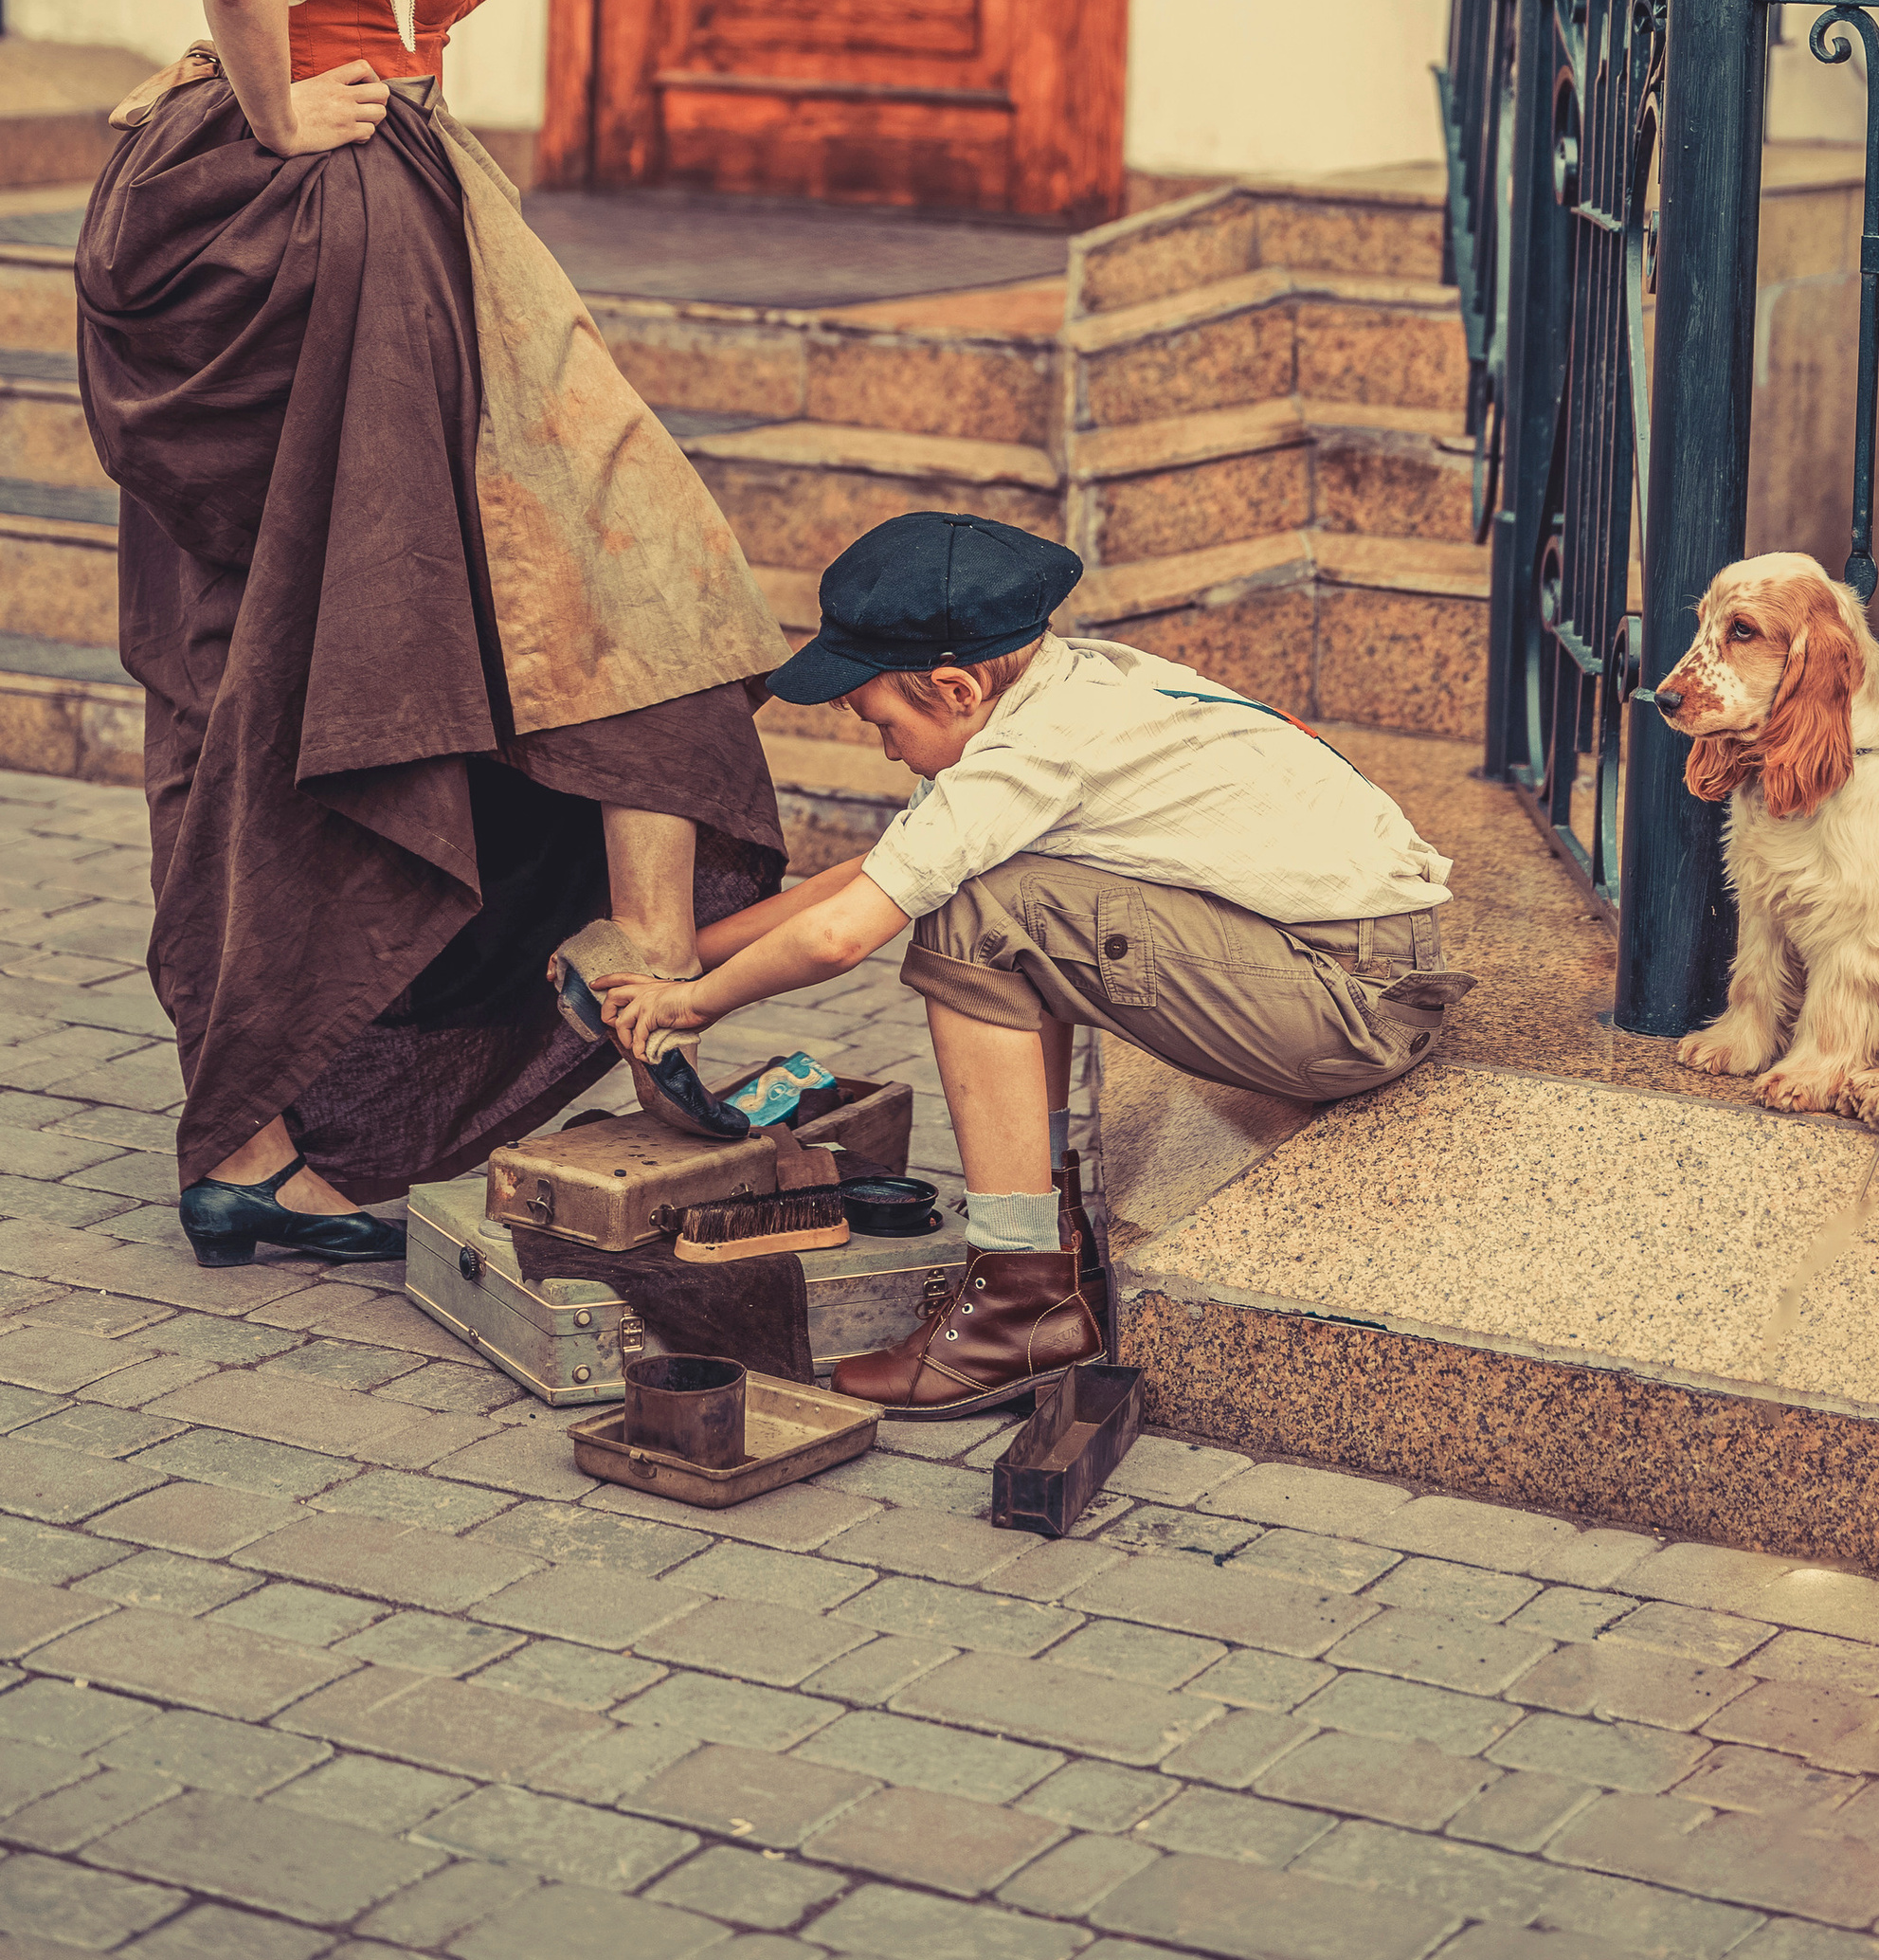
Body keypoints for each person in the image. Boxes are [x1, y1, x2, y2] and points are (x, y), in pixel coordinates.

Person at [76, 0, 791, 1275]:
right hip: (320, 226)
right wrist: (269, 104)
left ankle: (606, 975)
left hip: (359, 216)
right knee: (333, 647)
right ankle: (265, 1123)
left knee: (364, 632)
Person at [594, 509, 1471, 1415]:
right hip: (1330, 967)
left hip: (1350, 1002)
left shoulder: (1030, 754)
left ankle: (1018, 1300)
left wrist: (691, 1006)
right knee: (984, 885)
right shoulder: (1064, 689)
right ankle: (1047, 1243)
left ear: (955, 689)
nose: (885, 749)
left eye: (881, 722)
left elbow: (839, 937)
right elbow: (869, 876)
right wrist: (678, 956)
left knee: (980, 907)